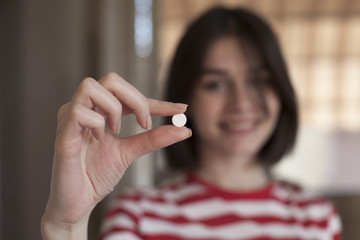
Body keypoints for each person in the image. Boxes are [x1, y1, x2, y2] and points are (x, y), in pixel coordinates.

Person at [41, 6, 342, 240]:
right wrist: (66, 224)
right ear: (187, 97)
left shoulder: (316, 218)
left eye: (259, 81)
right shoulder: (138, 216)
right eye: (215, 84)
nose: (241, 103)